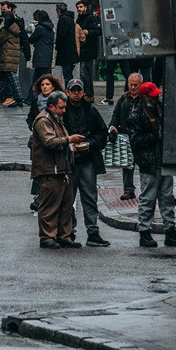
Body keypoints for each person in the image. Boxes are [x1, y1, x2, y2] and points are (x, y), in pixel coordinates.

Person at [128, 81, 176, 248]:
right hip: (149, 162)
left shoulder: (160, 109)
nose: (156, 98)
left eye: (157, 95)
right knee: (148, 198)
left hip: (163, 160)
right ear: (145, 97)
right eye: (153, 96)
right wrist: (155, 135)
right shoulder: (136, 114)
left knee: (167, 197)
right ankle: (144, 232)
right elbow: (135, 141)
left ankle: (170, 231)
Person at [31, 91, 84, 249]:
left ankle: (64, 235)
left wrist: (70, 145)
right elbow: (49, 141)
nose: (64, 110)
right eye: (61, 108)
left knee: (65, 205)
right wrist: (69, 139)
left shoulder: (56, 119)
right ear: (51, 106)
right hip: (49, 170)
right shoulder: (43, 120)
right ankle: (47, 237)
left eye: (64, 107)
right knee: (49, 206)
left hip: (61, 169)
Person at [64, 79, 111, 247]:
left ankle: (93, 232)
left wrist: (90, 143)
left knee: (90, 197)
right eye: (73, 90)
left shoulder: (91, 111)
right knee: (68, 198)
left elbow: (102, 133)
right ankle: (69, 231)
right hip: (68, 161)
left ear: (83, 92)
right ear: (67, 91)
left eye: (79, 90)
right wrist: (68, 143)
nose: (76, 93)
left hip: (87, 160)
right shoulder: (62, 110)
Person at [108, 72, 144, 200]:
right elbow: (116, 115)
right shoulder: (123, 99)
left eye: (136, 85)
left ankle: (145, 189)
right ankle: (128, 189)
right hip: (126, 136)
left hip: (141, 137)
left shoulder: (144, 99)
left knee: (143, 164)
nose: (133, 87)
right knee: (127, 164)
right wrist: (112, 127)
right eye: (131, 85)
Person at [75, 0, 102, 100]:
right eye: (78, 7)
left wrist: (88, 32)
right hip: (83, 49)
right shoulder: (79, 19)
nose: (79, 9)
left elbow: (98, 31)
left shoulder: (90, 18)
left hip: (89, 49)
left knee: (85, 72)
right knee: (84, 72)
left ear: (85, 7)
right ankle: (87, 93)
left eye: (81, 7)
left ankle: (89, 93)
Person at [54, 3, 78, 82]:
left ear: (59, 11)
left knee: (67, 74)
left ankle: (69, 92)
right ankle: (70, 91)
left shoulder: (63, 19)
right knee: (68, 73)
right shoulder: (70, 19)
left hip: (66, 52)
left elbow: (62, 35)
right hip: (70, 52)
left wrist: (57, 45)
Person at [30, 9, 55, 81]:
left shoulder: (39, 28)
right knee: (40, 78)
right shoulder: (50, 28)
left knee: (40, 79)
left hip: (40, 56)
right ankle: (32, 92)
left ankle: (33, 92)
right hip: (48, 57)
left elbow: (31, 39)